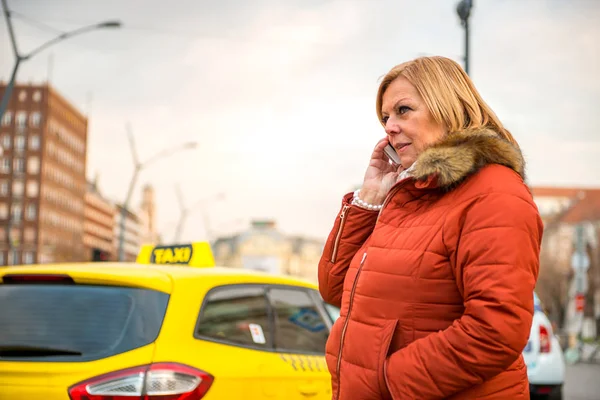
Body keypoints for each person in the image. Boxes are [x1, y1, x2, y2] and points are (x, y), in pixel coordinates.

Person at [318, 56, 543, 400]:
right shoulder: (411, 198)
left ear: (446, 106)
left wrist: (388, 381)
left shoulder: (494, 193)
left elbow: (496, 330)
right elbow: (335, 288)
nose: (389, 127)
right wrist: (369, 198)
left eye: (403, 110)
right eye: (385, 117)